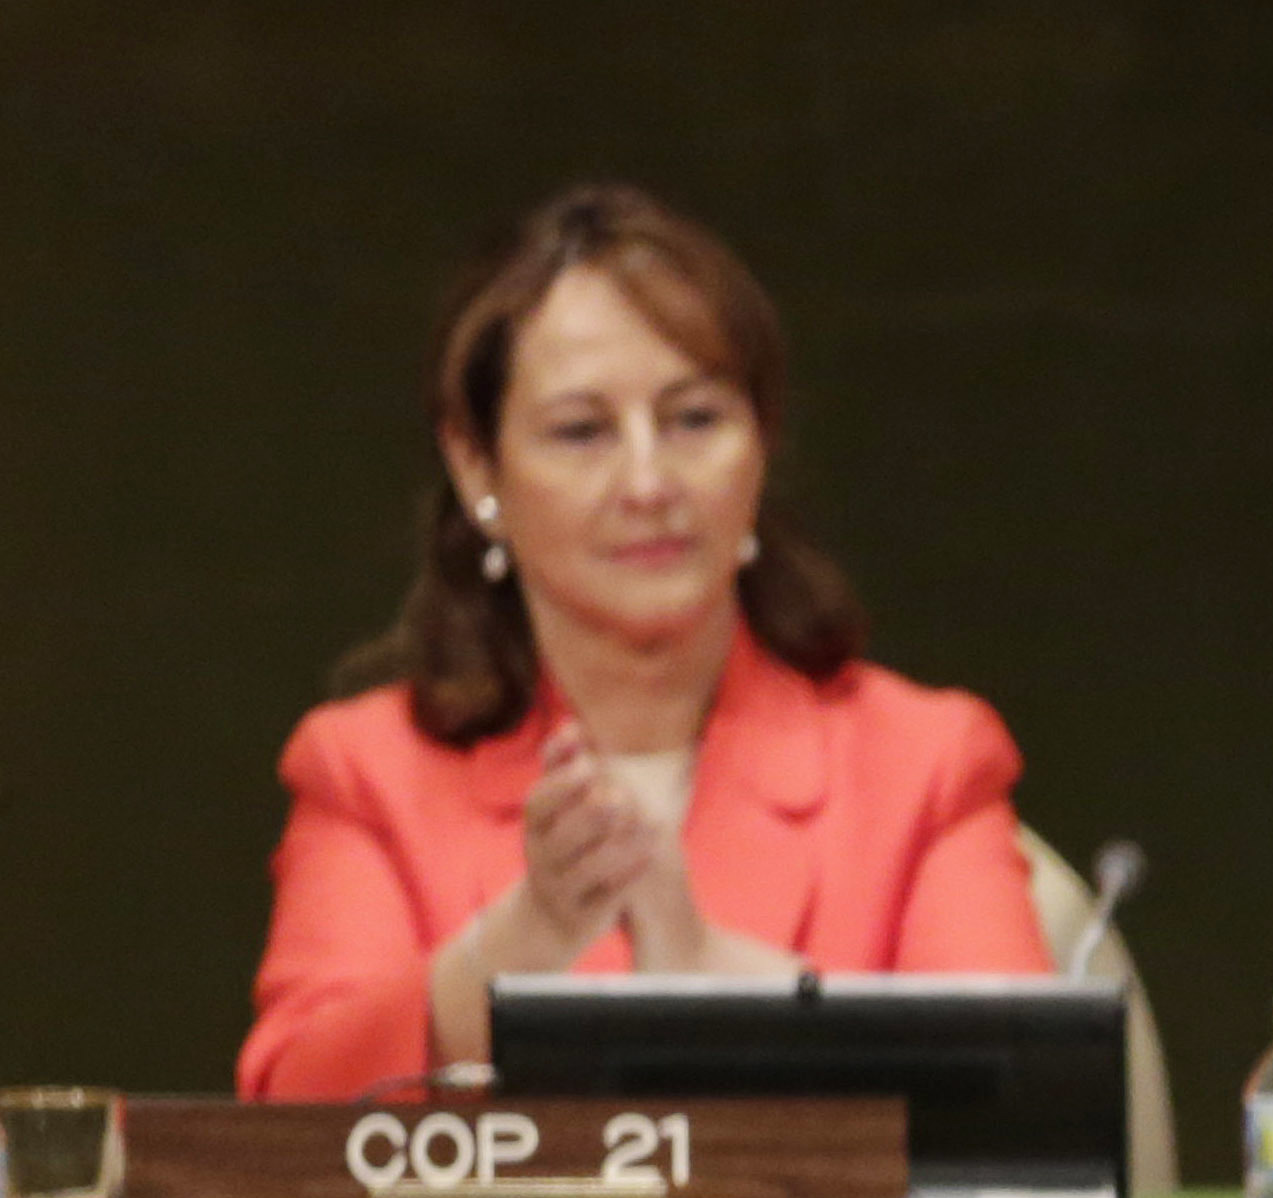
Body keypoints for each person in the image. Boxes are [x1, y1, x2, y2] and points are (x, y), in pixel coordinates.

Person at [241, 185, 1047, 1100]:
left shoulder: (925, 765)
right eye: (582, 432)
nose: (649, 480)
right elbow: (289, 1113)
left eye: (694, 419)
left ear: (761, 441)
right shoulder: (366, 773)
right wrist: (521, 945)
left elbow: (1018, 1102)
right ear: (477, 470)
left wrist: (709, 971)